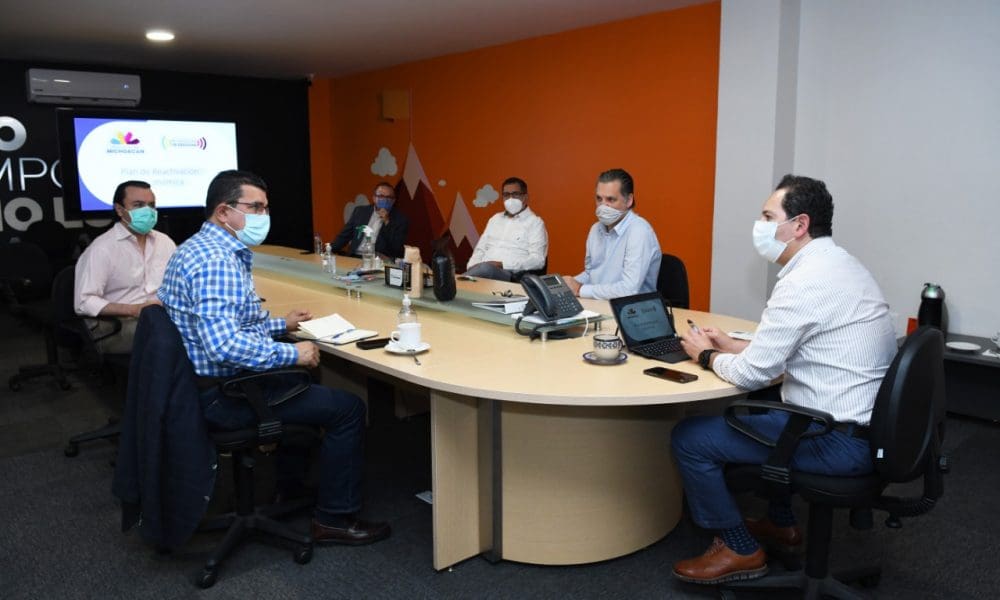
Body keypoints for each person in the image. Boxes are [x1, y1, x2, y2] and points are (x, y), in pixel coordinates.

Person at [669, 175, 897, 584]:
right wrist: (734, 345)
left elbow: (751, 374)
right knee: (772, 406)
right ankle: (781, 522)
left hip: (838, 440)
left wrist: (704, 354)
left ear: (799, 225)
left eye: (767, 216)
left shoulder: (802, 282)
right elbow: (802, 350)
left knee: (690, 437)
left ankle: (739, 548)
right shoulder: (841, 265)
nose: (759, 225)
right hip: (870, 428)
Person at [157, 169, 389, 545]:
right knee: (348, 409)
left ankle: (289, 488)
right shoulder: (217, 262)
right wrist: (290, 352)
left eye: (265, 207)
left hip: (200, 384)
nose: (264, 216)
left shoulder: (198, 248)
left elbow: (231, 323)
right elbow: (224, 345)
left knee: (303, 381)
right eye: (255, 207)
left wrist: (283, 325)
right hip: (224, 394)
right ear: (223, 212)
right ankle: (334, 519)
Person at [74, 180, 176, 353]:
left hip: (161, 317)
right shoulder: (102, 248)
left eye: (151, 205)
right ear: (120, 210)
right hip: (119, 324)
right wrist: (133, 310)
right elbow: (83, 302)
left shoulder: (164, 242)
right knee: (168, 337)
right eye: (138, 205)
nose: (147, 211)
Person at [564, 168, 661, 300]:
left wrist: (580, 289)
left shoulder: (639, 231)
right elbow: (591, 274)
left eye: (611, 199)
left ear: (629, 200)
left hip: (631, 308)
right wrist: (568, 284)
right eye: (599, 199)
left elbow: (628, 289)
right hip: (600, 304)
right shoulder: (595, 229)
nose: (603, 206)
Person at [464, 176, 548, 281]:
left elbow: (538, 260)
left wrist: (502, 264)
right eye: (506, 195)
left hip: (510, 275)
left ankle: (458, 282)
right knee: (480, 269)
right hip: (482, 272)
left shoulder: (535, 223)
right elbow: (480, 250)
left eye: (515, 194)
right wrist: (472, 266)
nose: (510, 199)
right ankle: (460, 281)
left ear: (525, 197)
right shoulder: (495, 219)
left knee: (485, 269)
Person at [329, 181, 409, 260]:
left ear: (393, 201)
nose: (385, 200)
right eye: (381, 196)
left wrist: (387, 222)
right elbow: (344, 236)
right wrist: (329, 250)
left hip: (378, 260)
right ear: (374, 198)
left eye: (389, 197)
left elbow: (397, 249)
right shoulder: (360, 211)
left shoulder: (400, 220)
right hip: (355, 256)